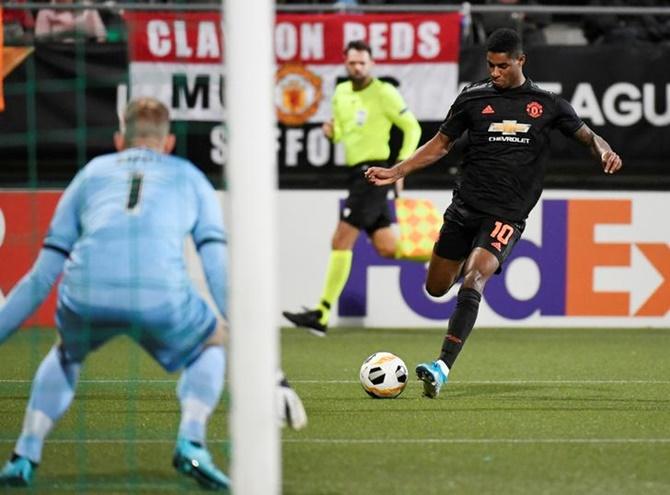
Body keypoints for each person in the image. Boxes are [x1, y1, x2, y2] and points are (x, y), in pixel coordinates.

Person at [0, 97, 305, 490]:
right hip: (160, 296)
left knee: (65, 351)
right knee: (212, 342)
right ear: (169, 143)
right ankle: (192, 441)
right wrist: (271, 372)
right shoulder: (190, 177)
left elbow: (41, 278)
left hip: (86, 294)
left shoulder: (92, 173)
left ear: (118, 140)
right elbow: (218, 275)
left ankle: (25, 455)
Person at [365, 28, 622, 399]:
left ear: (521, 61)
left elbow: (588, 136)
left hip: (507, 214)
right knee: (436, 287)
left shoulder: (547, 104)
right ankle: (464, 268)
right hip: (465, 208)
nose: (495, 72)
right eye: (491, 65)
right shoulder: (473, 98)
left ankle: (441, 366)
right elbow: (440, 144)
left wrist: (604, 151)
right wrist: (398, 170)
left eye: (503, 65)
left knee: (474, 280)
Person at [282, 39, 422, 337]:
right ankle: (448, 259)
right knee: (386, 247)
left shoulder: (384, 92)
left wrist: (400, 167)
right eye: (352, 62)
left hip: (374, 173)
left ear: (371, 64)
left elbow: (412, 127)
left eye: (362, 62)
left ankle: (321, 313)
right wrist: (332, 134)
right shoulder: (341, 92)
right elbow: (343, 135)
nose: (357, 67)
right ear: (345, 63)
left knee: (340, 240)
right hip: (355, 173)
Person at [34, 0, 107, 43]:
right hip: (56, 57)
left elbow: (101, 36)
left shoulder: (87, 6)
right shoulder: (44, 11)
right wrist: (65, 32)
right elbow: (41, 41)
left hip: (85, 55)